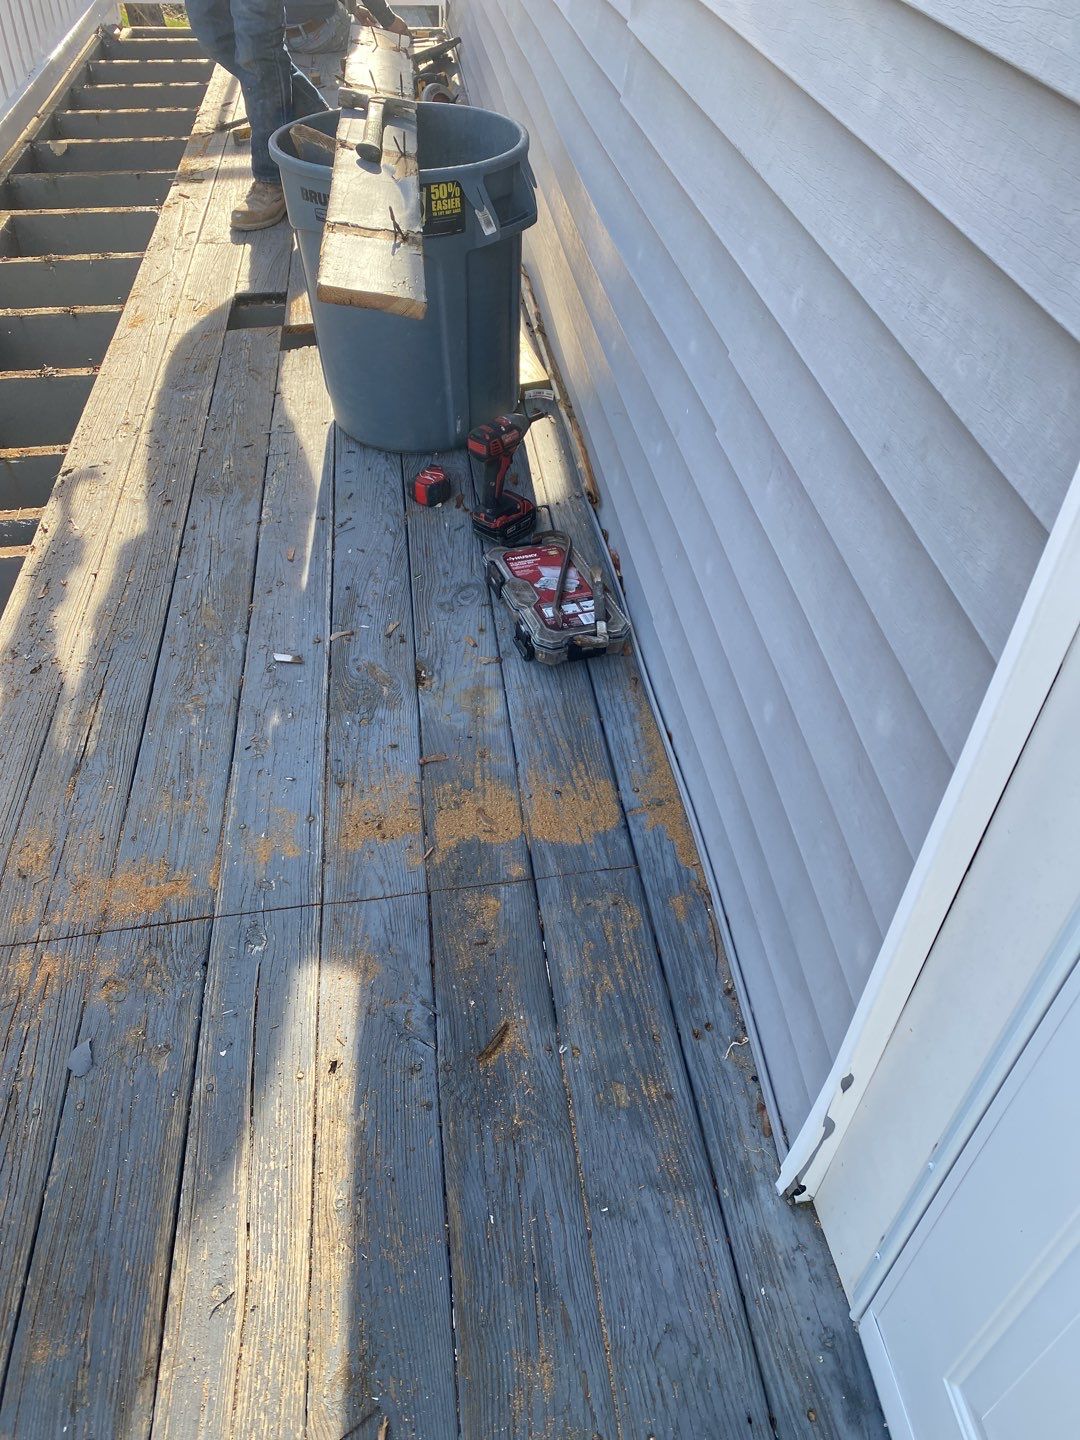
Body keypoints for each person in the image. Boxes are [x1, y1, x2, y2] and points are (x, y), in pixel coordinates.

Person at [185, 0, 410, 231]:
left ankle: (272, 179)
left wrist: (385, 17)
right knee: (213, 32)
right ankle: (324, 127)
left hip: (322, 26)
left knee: (256, 49)